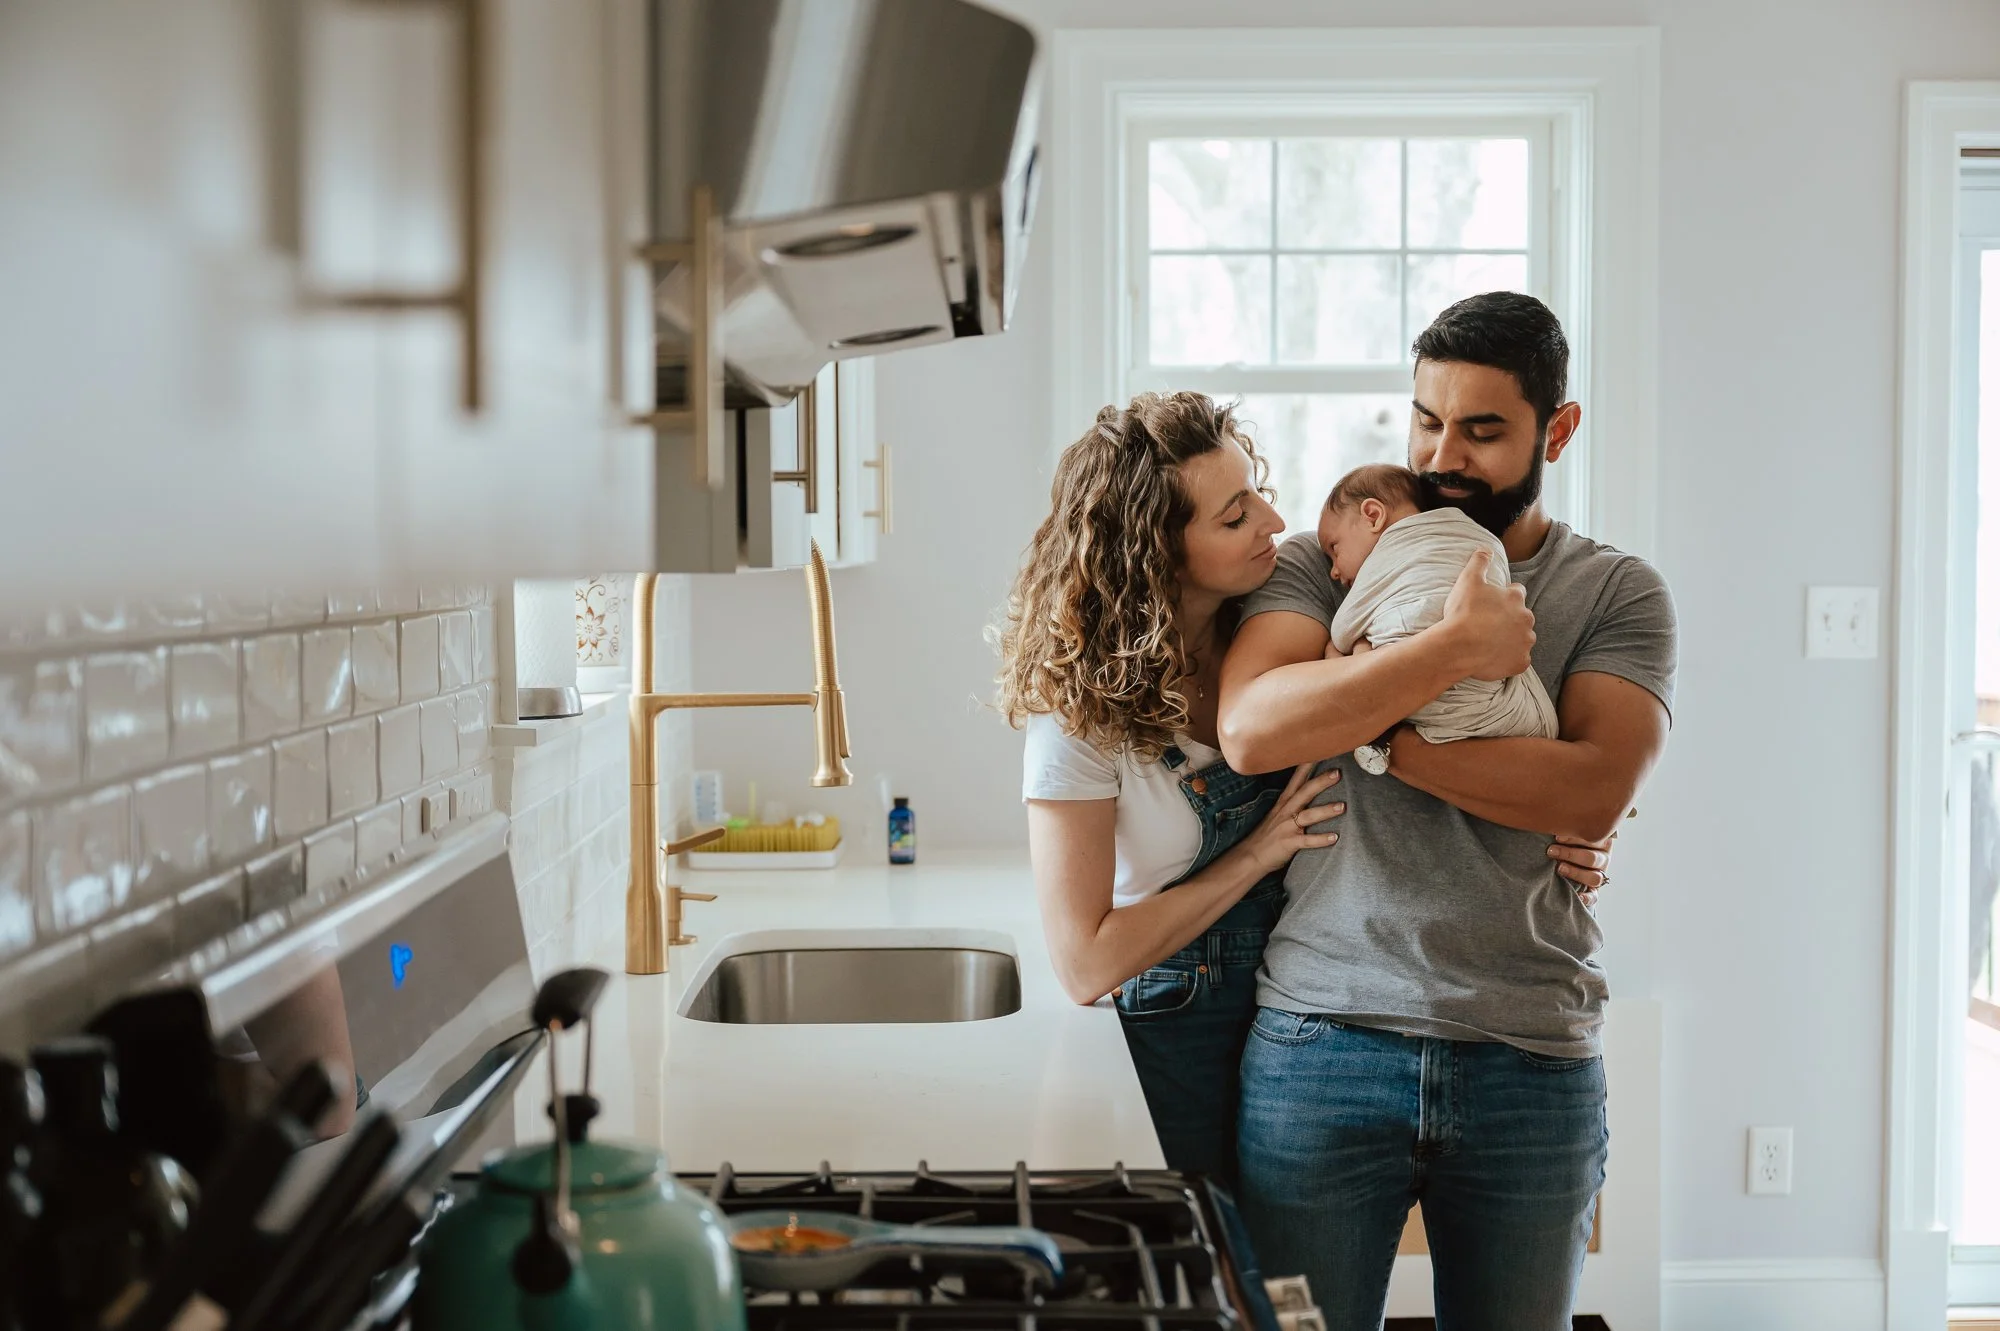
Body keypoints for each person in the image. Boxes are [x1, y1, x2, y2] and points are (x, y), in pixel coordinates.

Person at [994, 389, 1617, 1194]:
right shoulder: (1077, 715)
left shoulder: (1281, 615)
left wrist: (1575, 820)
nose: (1270, 518)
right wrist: (1254, 854)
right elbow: (1085, 963)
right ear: (1158, 553)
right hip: (1168, 1032)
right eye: (1232, 516)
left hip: (1294, 1013)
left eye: (1253, 489)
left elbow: (1440, 722)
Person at [1218, 292, 1678, 1331]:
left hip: (1528, 1047)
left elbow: (1594, 786)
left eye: (1480, 429)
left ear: (1554, 429)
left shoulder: (1613, 591)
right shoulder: (1329, 553)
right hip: (1320, 1036)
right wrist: (1453, 655)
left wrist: (1377, 734)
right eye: (1426, 419)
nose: (1442, 453)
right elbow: (1253, 726)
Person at [1316, 462, 1557, 776]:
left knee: (1349, 651)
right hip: (1493, 697)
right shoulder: (1476, 537)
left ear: (1373, 516)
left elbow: (1343, 630)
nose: (1333, 571)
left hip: (1421, 698)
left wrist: (1341, 651)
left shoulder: (1385, 558)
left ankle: (1376, 737)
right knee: (1543, 720)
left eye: (1334, 549)